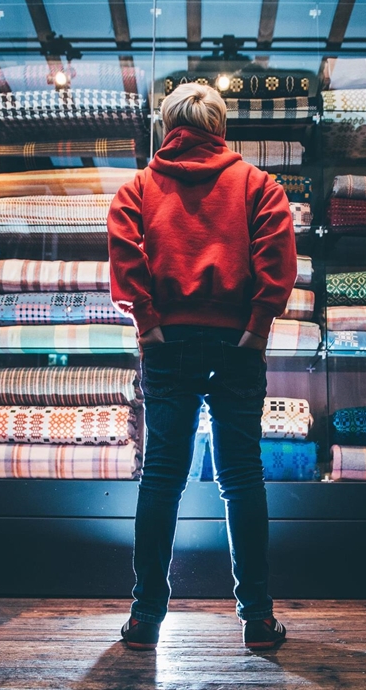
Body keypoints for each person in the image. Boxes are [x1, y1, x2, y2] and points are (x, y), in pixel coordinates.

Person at [107, 82, 296, 650]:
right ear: (220, 128)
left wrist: (149, 324)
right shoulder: (259, 185)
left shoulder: (138, 187)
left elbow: (124, 252)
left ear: (169, 127)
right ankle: (258, 619)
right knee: (241, 477)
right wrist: (256, 329)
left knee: (162, 477)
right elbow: (278, 259)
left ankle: (145, 620)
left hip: (169, 342)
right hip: (237, 342)